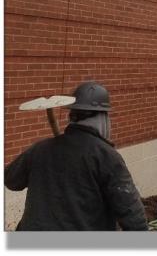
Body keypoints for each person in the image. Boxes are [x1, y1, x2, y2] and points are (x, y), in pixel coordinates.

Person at [4, 82, 148, 231]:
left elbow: (11, 180)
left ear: (72, 115)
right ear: (102, 117)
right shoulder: (106, 157)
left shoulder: (40, 149)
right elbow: (134, 218)